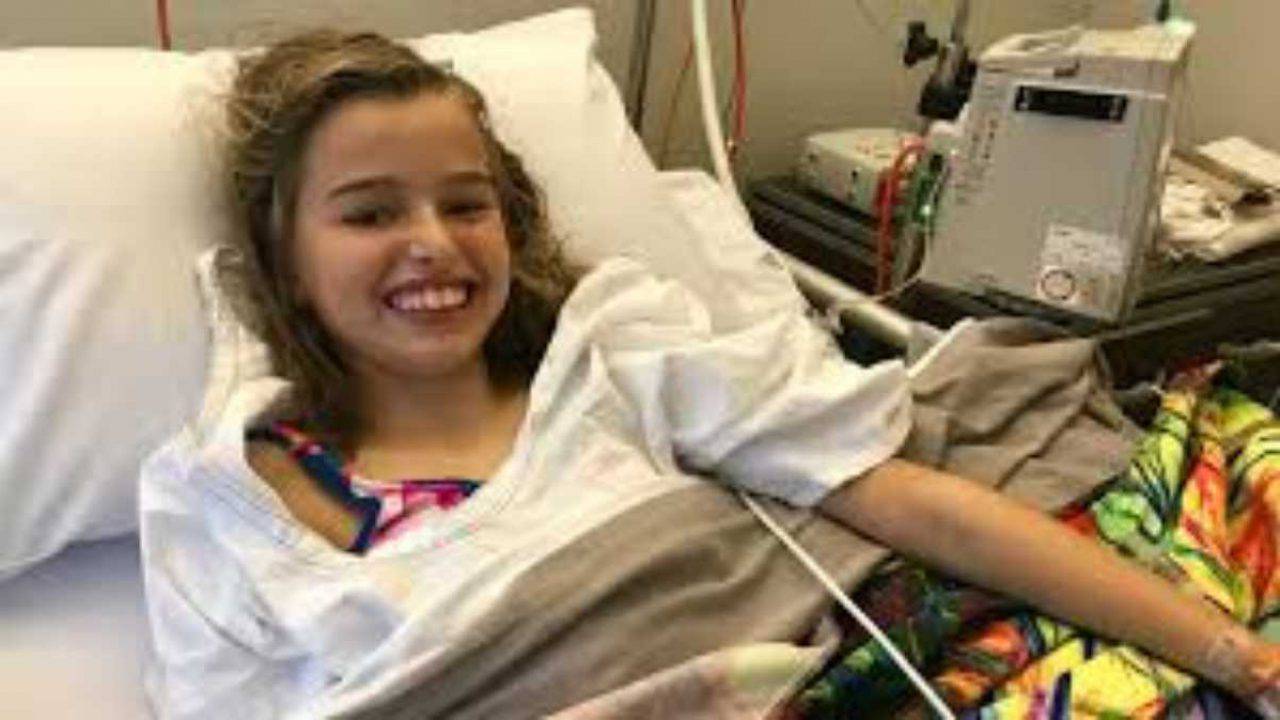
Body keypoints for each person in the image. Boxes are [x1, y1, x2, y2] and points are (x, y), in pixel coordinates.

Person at [138, 29, 1278, 718]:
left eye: (464, 203)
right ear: (284, 264)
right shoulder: (220, 500)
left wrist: (1227, 653)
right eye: (369, 213)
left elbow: (914, 507)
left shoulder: (613, 356)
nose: (433, 242)